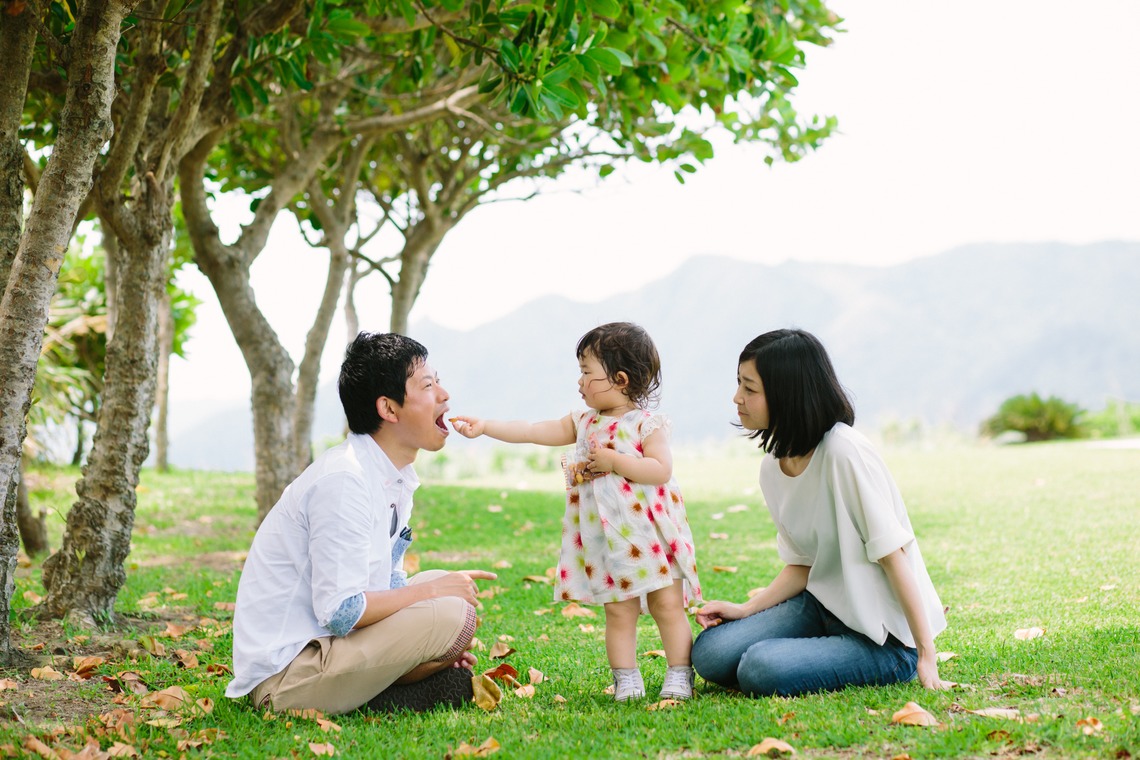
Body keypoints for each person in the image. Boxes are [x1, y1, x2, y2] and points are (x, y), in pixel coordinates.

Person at [225, 332, 497, 714]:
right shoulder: (344, 480)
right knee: (448, 608)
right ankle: (392, 689)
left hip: (331, 648)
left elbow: (387, 585)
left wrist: (430, 630)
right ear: (389, 408)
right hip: (288, 676)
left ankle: (394, 680)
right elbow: (341, 612)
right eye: (428, 385)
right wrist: (432, 598)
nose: (444, 395)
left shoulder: (393, 477)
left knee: (447, 598)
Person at [691, 328, 952, 697]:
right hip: (822, 607)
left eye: (750, 388)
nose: (737, 398)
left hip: (884, 640)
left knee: (759, 667)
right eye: (739, 384)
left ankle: (887, 661)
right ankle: (815, 649)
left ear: (786, 395)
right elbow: (803, 564)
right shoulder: (772, 467)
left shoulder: (844, 453)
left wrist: (925, 655)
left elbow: (895, 557)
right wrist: (745, 609)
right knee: (711, 655)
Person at [452, 322, 702, 702]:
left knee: (667, 605)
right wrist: (486, 427)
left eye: (587, 372)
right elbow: (533, 430)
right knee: (618, 612)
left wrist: (616, 460)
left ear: (619, 379)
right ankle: (626, 679)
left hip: (651, 540)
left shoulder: (645, 425)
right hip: (607, 541)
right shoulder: (583, 422)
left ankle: (679, 674)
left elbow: (660, 470)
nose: (580, 382)